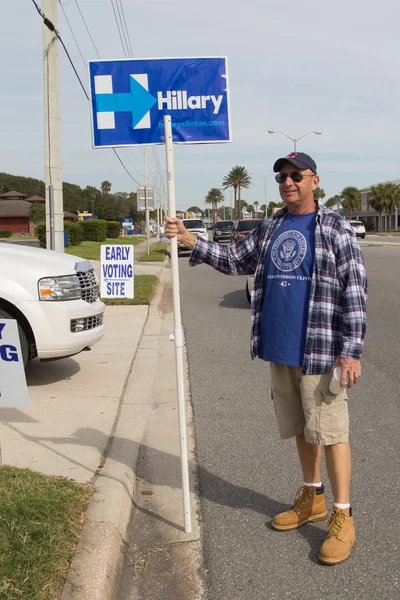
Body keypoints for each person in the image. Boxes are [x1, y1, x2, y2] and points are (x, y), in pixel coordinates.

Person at [165, 152, 367, 565]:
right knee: (300, 427)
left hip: (321, 349)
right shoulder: (272, 225)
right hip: (281, 345)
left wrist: (350, 352)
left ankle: (343, 517)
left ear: (314, 181)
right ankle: (312, 498)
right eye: (282, 176)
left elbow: (355, 290)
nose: (288, 182)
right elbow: (236, 260)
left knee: (330, 433)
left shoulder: (333, 227)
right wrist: (190, 240)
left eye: (296, 175)